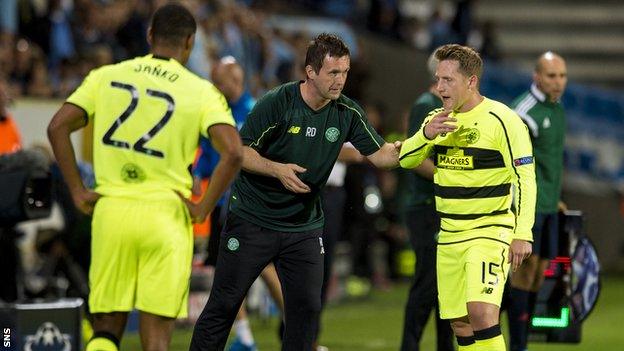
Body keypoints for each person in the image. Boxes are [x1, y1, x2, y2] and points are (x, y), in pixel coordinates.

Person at [46, 4, 242, 351]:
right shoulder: (201, 91)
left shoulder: (105, 76)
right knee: (156, 338)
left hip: (112, 211)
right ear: (190, 43)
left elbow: (58, 126)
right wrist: (202, 208)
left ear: (150, 35)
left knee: (106, 326)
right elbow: (234, 152)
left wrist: (77, 189)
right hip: (166, 216)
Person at [190, 33, 401, 351]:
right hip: (252, 219)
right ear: (311, 71)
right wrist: (278, 169)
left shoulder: (346, 112)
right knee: (223, 305)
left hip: (303, 227)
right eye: (333, 73)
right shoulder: (276, 103)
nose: (340, 81)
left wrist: (421, 140)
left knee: (306, 311)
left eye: (344, 73)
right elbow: (241, 153)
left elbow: (382, 155)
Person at [399, 44, 536, 351]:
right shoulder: (437, 118)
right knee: (460, 322)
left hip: (489, 230)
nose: (440, 87)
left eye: (448, 80)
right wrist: (425, 135)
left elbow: (526, 178)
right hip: (448, 235)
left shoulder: (504, 120)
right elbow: (406, 160)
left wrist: (522, 233)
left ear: (471, 81)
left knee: (482, 312)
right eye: (438, 79)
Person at [194, 56, 284, 351]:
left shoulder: (258, 110)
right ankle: (246, 335)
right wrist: (198, 174)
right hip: (226, 204)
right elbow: (208, 154)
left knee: (260, 267)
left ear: (236, 80)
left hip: (252, 203)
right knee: (229, 269)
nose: (216, 88)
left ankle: (298, 328)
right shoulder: (217, 112)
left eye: (220, 82)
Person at [507, 52, 568, 351]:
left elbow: (549, 162)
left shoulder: (556, 110)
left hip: (547, 204)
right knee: (523, 275)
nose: (558, 82)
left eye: (562, 76)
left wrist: (555, 198)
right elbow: (512, 164)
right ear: (536, 77)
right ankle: (516, 344)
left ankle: (520, 342)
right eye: (551, 76)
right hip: (526, 208)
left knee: (537, 275)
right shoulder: (523, 112)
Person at [400, 52, 454, 351]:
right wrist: (453, 179)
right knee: (427, 281)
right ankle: (409, 346)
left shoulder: (448, 106)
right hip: (425, 206)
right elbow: (414, 156)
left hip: (443, 207)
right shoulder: (425, 105)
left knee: (446, 286)